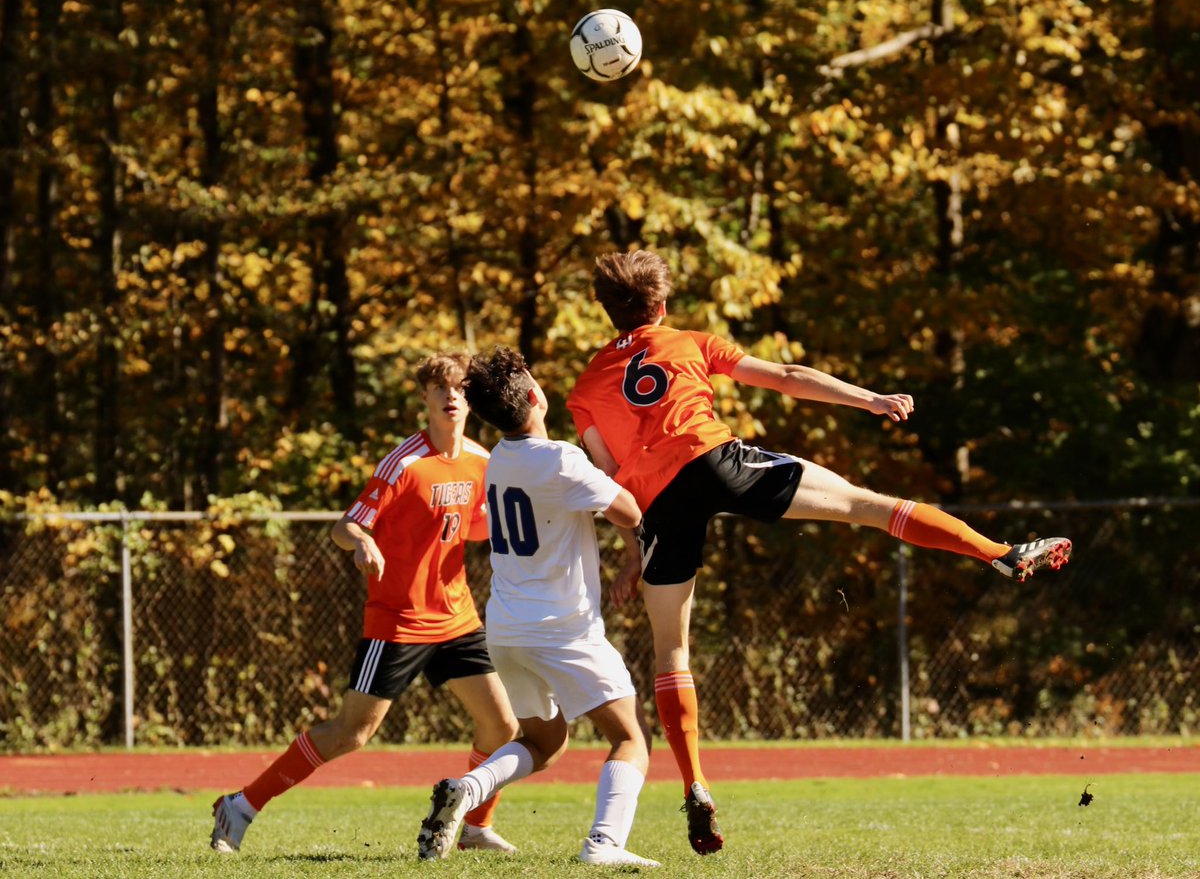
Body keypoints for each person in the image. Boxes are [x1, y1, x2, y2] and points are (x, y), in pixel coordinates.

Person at [566, 248, 1073, 856]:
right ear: (662, 304)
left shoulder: (586, 386)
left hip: (658, 505)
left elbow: (611, 478)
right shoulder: (688, 342)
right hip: (714, 461)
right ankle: (998, 552)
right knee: (867, 505)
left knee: (672, 652)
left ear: (606, 310)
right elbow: (785, 377)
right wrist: (870, 399)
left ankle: (695, 782)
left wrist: (633, 552)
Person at [210, 351, 519, 855]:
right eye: (440, 388)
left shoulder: (484, 461)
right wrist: (362, 542)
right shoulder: (404, 462)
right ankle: (240, 805)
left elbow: (476, 525)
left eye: (461, 388)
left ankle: (475, 827)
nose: (452, 397)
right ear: (424, 398)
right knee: (353, 733)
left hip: (456, 618)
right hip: (397, 621)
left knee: (503, 726)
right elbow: (345, 525)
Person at [416, 346, 660, 868]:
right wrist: (632, 554)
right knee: (629, 737)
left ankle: (468, 787)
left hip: (506, 628)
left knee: (544, 742)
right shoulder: (560, 459)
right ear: (535, 396)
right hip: (562, 628)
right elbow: (628, 508)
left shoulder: (500, 457)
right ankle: (604, 845)